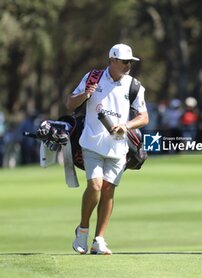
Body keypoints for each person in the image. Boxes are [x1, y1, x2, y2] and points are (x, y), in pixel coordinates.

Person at [66, 43, 149, 255]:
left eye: (130, 62)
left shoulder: (134, 86)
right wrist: (85, 94)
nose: (128, 65)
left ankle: (99, 239)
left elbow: (143, 117)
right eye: (124, 62)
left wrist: (126, 125)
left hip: (118, 147)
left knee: (108, 191)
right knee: (95, 186)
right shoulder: (93, 77)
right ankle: (83, 231)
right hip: (92, 143)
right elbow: (70, 104)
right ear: (111, 60)